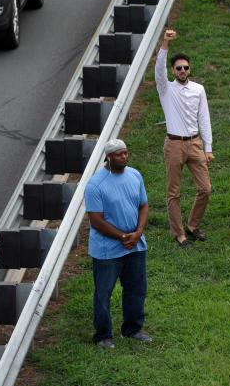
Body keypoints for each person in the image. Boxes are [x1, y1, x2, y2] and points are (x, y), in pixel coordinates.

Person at [85, 139, 150, 348]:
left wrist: (138, 233)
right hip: (107, 251)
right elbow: (96, 220)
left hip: (135, 245)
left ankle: (132, 330)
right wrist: (124, 237)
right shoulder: (95, 184)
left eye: (125, 153)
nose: (124, 157)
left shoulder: (135, 175)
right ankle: (102, 335)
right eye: (119, 154)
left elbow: (144, 206)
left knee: (136, 289)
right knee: (103, 293)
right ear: (108, 157)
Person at [155, 30, 213, 249]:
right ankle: (179, 233)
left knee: (205, 188)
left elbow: (204, 118)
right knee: (174, 191)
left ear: (190, 69)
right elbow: (158, 70)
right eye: (178, 68)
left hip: (195, 143)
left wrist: (208, 147)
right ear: (173, 70)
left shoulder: (199, 89)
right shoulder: (166, 88)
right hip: (174, 144)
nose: (182, 71)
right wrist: (165, 44)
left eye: (185, 67)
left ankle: (192, 225)